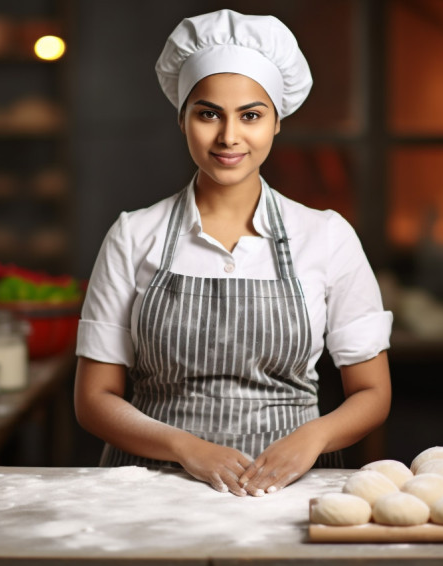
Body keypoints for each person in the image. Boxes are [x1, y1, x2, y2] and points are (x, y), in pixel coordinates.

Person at [74, 9, 392, 497]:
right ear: (182, 119)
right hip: (150, 490)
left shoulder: (326, 236)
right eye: (208, 114)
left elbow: (372, 392)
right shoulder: (134, 235)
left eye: (251, 115)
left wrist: (314, 437)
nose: (228, 137)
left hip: (290, 488)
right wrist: (186, 447)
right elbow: (94, 398)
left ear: (276, 121)